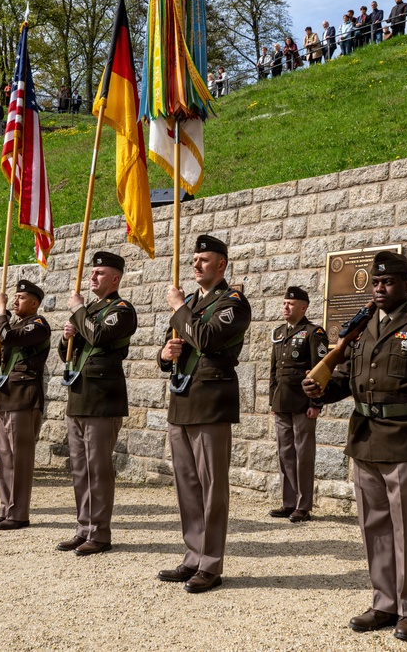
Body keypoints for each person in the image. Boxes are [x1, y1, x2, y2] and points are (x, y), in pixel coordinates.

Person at [302, 251, 407, 642]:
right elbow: (347, 378)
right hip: (366, 439)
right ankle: (384, 603)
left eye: (388, 281)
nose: (380, 288)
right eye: (375, 282)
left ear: (406, 284)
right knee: (374, 528)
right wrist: (320, 389)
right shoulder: (361, 328)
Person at [157, 235, 251, 594]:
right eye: (194, 259)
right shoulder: (191, 303)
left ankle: (210, 564)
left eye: (204, 259)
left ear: (221, 265)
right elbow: (178, 345)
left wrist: (179, 306)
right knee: (187, 487)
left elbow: (208, 339)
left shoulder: (233, 303)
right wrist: (165, 354)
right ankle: (193, 555)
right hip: (182, 401)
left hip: (211, 402)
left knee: (212, 488)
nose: (196, 265)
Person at [55, 252, 137, 555]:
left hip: (103, 399)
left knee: (97, 468)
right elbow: (68, 354)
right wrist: (66, 338)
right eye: (92, 272)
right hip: (79, 396)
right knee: (80, 468)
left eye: (99, 273)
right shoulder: (88, 310)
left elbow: (100, 336)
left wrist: (78, 311)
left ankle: (100, 533)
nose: (92, 277)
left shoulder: (122, 310)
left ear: (115, 279)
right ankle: (84, 528)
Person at [0, 281, 51, 531]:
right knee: (5, 458)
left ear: (34, 303)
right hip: (3, 397)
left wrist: (1, 311)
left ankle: (19, 512)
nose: (15, 301)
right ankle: (6, 508)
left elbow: (10, 338)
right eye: (14, 297)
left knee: (20, 459)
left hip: (23, 398)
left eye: (21, 297)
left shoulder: (38, 324)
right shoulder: (9, 326)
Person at [268, 288, 327, 522]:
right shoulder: (279, 332)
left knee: (303, 455)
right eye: (284, 303)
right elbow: (274, 371)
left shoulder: (314, 332)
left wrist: (316, 403)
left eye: (290, 304)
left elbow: (320, 370)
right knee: (285, 453)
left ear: (303, 307)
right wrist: (272, 400)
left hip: (303, 403)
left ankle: (303, 506)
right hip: (282, 401)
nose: (285, 307)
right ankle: (288, 502)